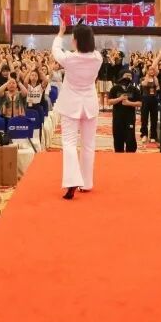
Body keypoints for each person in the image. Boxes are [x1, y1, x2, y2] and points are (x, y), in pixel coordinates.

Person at [51, 19, 103, 200]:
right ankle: (86, 183)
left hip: (70, 104)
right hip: (89, 104)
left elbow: (56, 50)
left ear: (76, 41)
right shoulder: (98, 58)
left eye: (73, 37)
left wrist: (60, 33)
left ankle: (72, 180)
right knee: (88, 144)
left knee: (69, 143)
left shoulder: (69, 59)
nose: (71, 40)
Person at [107, 68, 140, 153]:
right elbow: (109, 102)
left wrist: (129, 103)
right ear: (121, 76)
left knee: (130, 139)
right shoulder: (115, 88)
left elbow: (140, 103)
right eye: (126, 75)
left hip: (130, 118)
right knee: (118, 138)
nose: (128, 78)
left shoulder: (134, 89)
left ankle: (130, 156)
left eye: (130, 76)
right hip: (118, 118)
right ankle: (119, 155)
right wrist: (119, 99)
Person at [139, 65, 159, 143]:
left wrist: (155, 78)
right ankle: (144, 134)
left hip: (154, 99)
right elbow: (144, 84)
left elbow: (157, 86)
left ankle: (153, 135)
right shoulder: (143, 78)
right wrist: (147, 76)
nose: (151, 71)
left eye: (153, 70)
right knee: (144, 118)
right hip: (145, 99)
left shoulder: (156, 79)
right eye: (150, 70)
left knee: (154, 118)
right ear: (147, 70)